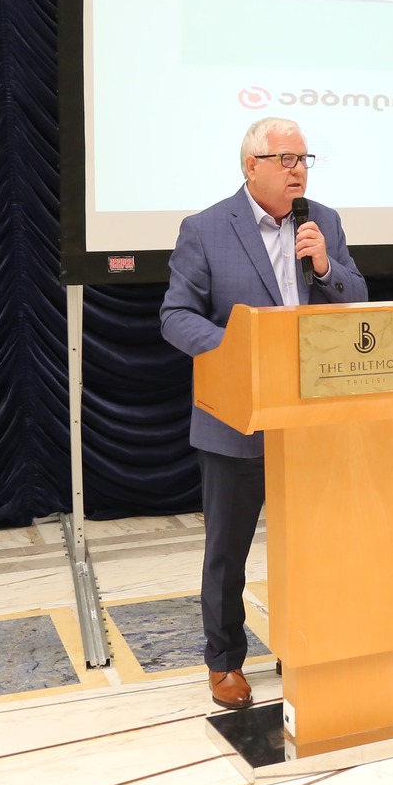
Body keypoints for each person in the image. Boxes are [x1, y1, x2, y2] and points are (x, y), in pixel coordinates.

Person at [160, 117, 365, 711]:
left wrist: (325, 269)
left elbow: (356, 298)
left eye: (304, 159)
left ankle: (303, 642)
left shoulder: (323, 221)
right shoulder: (205, 228)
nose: (298, 170)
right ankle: (224, 661)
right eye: (286, 160)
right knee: (228, 551)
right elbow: (176, 316)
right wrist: (238, 351)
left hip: (311, 415)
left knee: (312, 542)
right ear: (252, 166)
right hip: (238, 414)